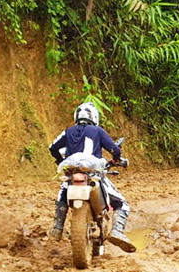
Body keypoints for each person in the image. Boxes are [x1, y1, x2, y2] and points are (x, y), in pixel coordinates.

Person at [48, 102, 137, 253]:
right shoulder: (98, 131)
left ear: (76, 116)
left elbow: (52, 147)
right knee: (123, 204)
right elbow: (114, 149)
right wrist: (116, 159)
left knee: (63, 188)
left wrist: (59, 160)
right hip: (93, 174)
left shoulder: (68, 131)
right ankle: (117, 231)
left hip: (71, 172)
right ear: (94, 117)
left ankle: (57, 226)